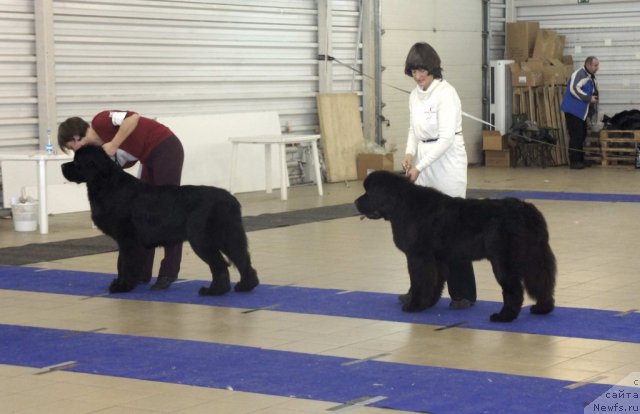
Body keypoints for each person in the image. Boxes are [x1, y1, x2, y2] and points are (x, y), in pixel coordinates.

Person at [58, 110, 184, 290]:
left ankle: (169, 272)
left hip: (165, 147)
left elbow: (133, 118)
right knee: (143, 218)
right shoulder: (97, 152)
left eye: (70, 147)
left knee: (168, 211)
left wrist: (114, 144)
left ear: (76, 137)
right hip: (147, 158)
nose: (73, 151)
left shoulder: (101, 120)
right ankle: (140, 273)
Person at [400, 42, 476, 309]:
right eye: (413, 72)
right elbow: (413, 129)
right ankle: (421, 289)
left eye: (421, 70)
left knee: (453, 229)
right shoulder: (414, 95)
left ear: (432, 68)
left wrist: (420, 166)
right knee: (421, 231)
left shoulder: (447, 94)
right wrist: (410, 154)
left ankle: (463, 293)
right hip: (423, 158)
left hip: (448, 160)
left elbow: (444, 139)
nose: (418, 77)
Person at [561, 56, 599, 170]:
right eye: (595, 65)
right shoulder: (580, 74)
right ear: (588, 65)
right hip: (573, 111)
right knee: (576, 136)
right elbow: (573, 89)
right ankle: (574, 162)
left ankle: (580, 160)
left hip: (581, 112)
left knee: (582, 135)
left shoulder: (590, 77)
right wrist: (588, 98)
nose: (597, 68)